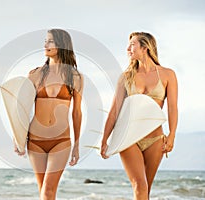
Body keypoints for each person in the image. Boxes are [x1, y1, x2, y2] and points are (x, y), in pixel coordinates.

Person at [100, 32, 178, 200]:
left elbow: (172, 108)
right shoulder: (126, 77)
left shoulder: (167, 74)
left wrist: (172, 135)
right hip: (129, 138)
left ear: (145, 47)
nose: (128, 49)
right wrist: (104, 139)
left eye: (132, 44)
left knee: (146, 190)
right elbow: (114, 111)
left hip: (155, 138)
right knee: (139, 186)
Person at [15, 29, 83, 200]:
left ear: (61, 44)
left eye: (50, 41)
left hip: (61, 141)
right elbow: (22, 109)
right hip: (35, 140)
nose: (45, 45)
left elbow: (76, 112)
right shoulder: (35, 74)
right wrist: (18, 137)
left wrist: (76, 144)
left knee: (48, 191)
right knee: (43, 191)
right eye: (45, 41)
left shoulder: (75, 77)